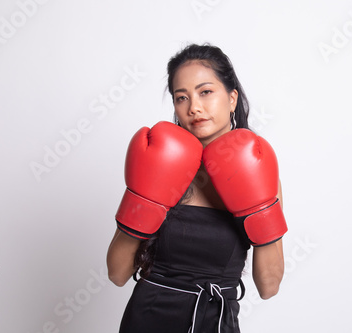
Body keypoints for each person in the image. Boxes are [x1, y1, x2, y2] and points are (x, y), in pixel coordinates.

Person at [106, 43, 287, 333]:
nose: (194, 108)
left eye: (205, 92)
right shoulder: (159, 163)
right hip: (147, 319)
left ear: (231, 98)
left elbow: (269, 286)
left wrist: (259, 207)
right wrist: (145, 199)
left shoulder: (259, 171)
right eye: (181, 97)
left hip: (214, 322)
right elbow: (117, 273)